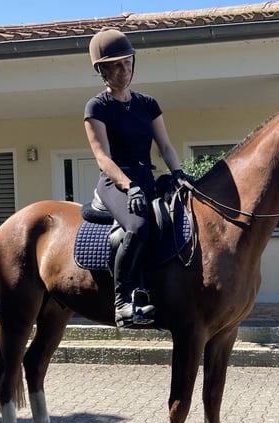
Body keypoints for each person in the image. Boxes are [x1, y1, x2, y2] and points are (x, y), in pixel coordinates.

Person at [84, 28, 189, 328]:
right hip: (115, 181)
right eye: (116, 64)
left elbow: (165, 146)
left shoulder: (148, 104)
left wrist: (178, 173)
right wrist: (128, 186)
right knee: (139, 225)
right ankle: (121, 303)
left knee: (172, 222)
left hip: (146, 177)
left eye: (128, 62)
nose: (124, 69)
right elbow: (103, 157)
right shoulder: (96, 107)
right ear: (102, 69)